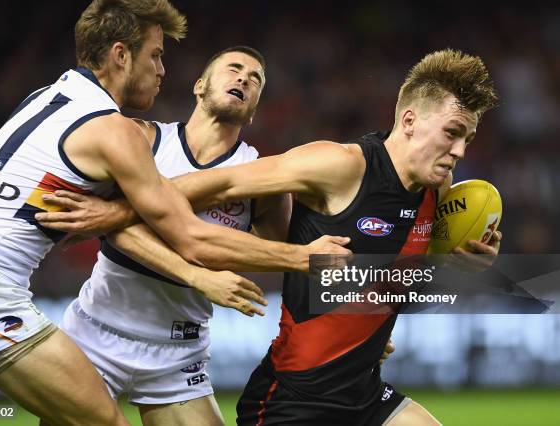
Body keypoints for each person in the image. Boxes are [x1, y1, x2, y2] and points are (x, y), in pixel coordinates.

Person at [0, 2, 348, 425]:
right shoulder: (123, 133)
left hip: (175, 351)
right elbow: (189, 237)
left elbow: (59, 206)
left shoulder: (48, 97)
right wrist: (301, 259)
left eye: (256, 80)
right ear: (121, 55)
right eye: (156, 55)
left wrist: (343, 321)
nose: (161, 70)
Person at [82, 48, 498, 425]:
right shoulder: (338, 165)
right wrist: (115, 211)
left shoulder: (437, 192)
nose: (460, 150)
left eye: (467, 139)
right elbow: (220, 186)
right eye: (452, 132)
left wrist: (459, 266)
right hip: (295, 400)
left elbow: (396, 282)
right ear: (409, 120)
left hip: (366, 394)